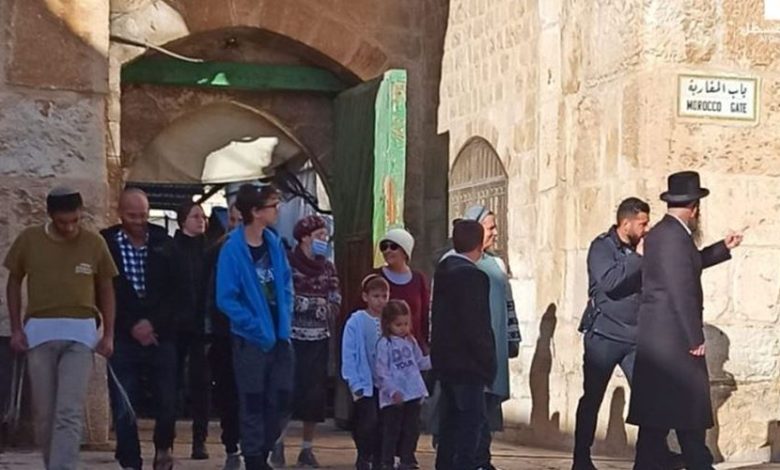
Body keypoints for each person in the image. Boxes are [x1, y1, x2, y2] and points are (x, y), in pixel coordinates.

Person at [628, 171, 742, 469]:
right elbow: (681, 289)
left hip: (659, 340)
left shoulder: (664, 234)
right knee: (687, 411)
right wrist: (694, 337)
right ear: (694, 208)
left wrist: (722, 248)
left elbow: (688, 266)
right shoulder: (674, 237)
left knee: (657, 420)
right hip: (674, 341)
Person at [4, 187, 117, 470]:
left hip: (81, 334)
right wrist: (16, 328)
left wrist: (108, 333)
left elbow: (106, 288)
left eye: (75, 221)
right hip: (39, 333)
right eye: (62, 222)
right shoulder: (29, 239)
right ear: (50, 216)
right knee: (44, 414)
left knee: (69, 411)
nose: (69, 228)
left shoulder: (94, 243)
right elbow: (14, 281)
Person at [216, 183, 295, 470]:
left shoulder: (273, 243)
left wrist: (285, 317)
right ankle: (253, 457)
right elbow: (226, 298)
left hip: (279, 335)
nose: (277, 210)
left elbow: (285, 283)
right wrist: (253, 325)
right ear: (256, 211)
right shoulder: (232, 250)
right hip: (250, 339)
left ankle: (263, 447)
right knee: (252, 400)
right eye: (273, 206)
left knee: (283, 399)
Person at [572, 197, 652, 470]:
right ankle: (581, 459)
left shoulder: (642, 248)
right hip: (604, 336)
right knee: (592, 398)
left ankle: (649, 458)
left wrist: (720, 250)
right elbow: (609, 282)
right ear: (626, 223)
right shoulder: (602, 247)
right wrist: (638, 258)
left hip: (635, 338)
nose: (646, 229)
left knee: (648, 399)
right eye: (642, 223)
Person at [102, 188, 178, 470]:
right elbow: (104, 291)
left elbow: (177, 289)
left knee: (168, 398)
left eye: (143, 215)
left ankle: (164, 447)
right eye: (132, 216)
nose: (138, 221)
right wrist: (130, 325)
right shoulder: (106, 243)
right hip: (124, 333)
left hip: (161, 332)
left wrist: (153, 323)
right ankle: (130, 460)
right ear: (120, 213)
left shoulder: (164, 243)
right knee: (124, 401)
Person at [272, 215, 341, 467]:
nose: (324, 240)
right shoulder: (288, 263)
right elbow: (284, 298)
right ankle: (277, 443)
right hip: (292, 338)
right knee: (286, 391)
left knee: (314, 395)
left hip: (319, 338)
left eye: (325, 236)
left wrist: (320, 307)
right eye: (319, 235)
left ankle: (307, 448)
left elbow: (335, 299)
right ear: (304, 237)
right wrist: (310, 305)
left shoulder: (328, 267)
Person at [431, 220, 496, 470]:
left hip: (446, 362)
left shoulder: (444, 270)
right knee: (470, 425)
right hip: (469, 364)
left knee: (449, 423)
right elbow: (476, 324)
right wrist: (487, 360)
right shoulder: (473, 276)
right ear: (479, 245)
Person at [461, 204, 521, 470]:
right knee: (470, 406)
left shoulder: (496, 264)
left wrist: (512, 338)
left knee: (487, 404)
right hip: (469, 349)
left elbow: (508, 303)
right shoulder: (456, 261)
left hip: (494, 346)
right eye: (490, 228)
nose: (495, 233)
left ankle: (483, 457)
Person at [170, 201, 210, 460]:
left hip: (201, 327)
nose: (201, 220)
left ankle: (199, 440)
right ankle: (167, 438)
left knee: (201, 384)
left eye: (203, 216)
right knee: (171, 383)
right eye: (195, 216)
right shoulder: (172, 249)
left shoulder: (209, 250)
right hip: (176, 326)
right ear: (183, 220)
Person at [205, 203, 243, 470]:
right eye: (233, 219)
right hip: (224, 333)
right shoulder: (218, 250)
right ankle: (232, 446)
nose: (236, 225)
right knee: (228, 393)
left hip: (253, 334)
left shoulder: (267, 249)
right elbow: (209, 294)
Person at [375, 300, 431, 470]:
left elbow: (419, 362)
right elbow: (381, 372)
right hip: (394, 397)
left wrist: (435, 359)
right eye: (398, 324)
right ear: (388, 324)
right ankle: (387, 461)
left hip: (413, 392)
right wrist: (392, 391)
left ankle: (407, 459)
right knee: (392, 430)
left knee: (411, 429)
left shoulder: (411, 341)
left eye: (406, 324)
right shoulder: (384, 344)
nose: (403, 328)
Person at [342, 274, 390, 470]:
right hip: (363, 381)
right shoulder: (356, 321)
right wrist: (353, 380)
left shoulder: (390, 321)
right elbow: (349, 353)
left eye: (384, 296)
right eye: (376, 296)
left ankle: (379, 458)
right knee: (367, 421)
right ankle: (364, 455)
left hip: (385, 383)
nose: (380, 301)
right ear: (366, 297)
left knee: (384, 423)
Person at [373, 228, 430, 353]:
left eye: (393, 247)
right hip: (384, 350)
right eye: (384, 247)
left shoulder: (418, 279)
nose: (387, 251)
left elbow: (425, 314)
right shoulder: (376, 278)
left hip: (413, 349)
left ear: (405, 252)